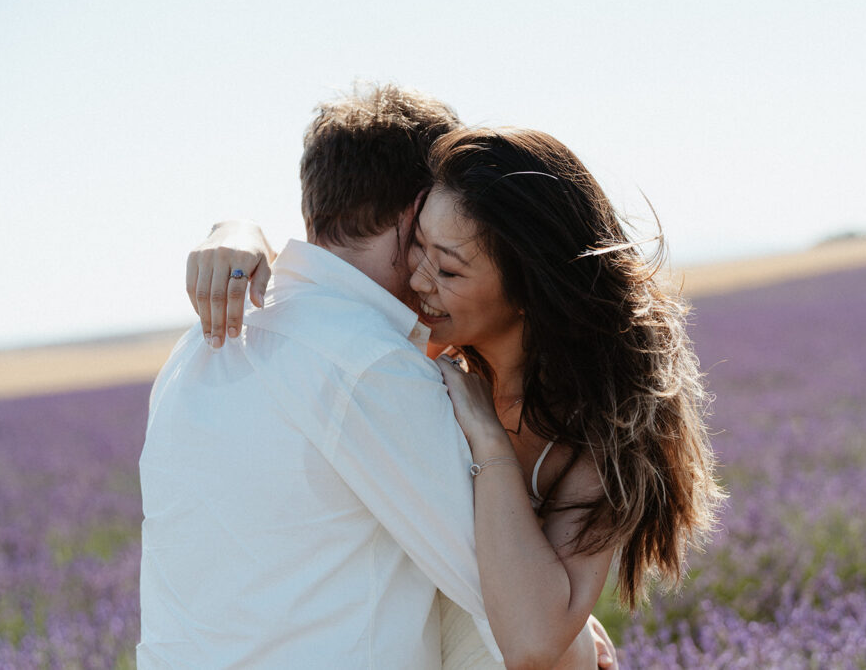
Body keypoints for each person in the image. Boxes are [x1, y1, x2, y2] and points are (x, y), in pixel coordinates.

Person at [194, 126, 725, 668]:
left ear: (529, 288)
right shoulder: (404, 358)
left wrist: (489, 441)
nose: (417, 280)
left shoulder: (605, 428)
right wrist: (237, 230)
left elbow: (534, 641)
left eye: (448, 269)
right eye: (417, 245)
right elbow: (329, 278)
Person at [140, 85, 612, 669]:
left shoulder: (199, 343)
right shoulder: (370, 364)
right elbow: (526, 617)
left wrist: (233, 224)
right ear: (421, 213)